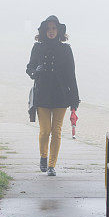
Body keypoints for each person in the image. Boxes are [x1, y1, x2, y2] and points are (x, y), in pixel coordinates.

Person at [26, 15, 80, 176]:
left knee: (56, 131)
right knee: (45, 130)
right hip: (42, 93)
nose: (51, 31)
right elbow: (29, 69)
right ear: (44, 31)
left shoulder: (66, 49)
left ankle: (51, 165)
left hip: (61, 95)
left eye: (54, 28)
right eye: (48, 29)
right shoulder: (38, 48)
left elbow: (71, 74)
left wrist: (74, 99)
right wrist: (36, 71)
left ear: (59, 31)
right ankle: (43, 156)